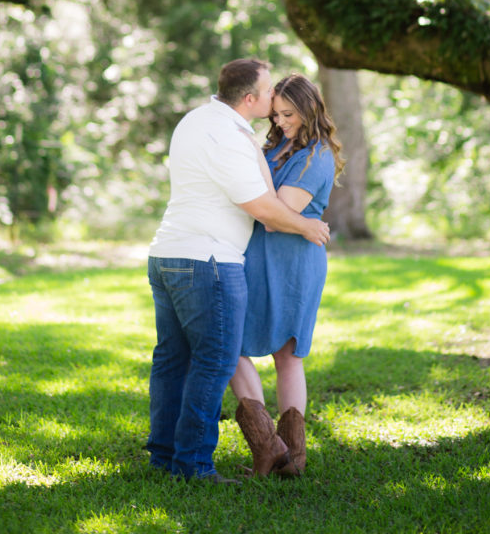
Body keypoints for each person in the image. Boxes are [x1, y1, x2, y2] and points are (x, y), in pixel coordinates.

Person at [146, 59, 331, 484]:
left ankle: (183, 455)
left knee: (184, 360)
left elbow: (272, 205)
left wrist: (302, 223)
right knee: (217, 360)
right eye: (271, 100)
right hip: (214, 258)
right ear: (250, 98)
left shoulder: (198, 121)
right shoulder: (236, 137)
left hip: (199, 254)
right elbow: (266, 209)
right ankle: (211, 460)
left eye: (286, 111)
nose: (274, 113)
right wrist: (306, 225)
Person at [230, 73, 344, 477]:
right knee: (232, 345)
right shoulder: (275, 146)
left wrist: (255, 157)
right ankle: (269, 446)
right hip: (254, 259)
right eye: (276, 114)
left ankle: (292, 456)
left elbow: (279, 215)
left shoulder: (317, 156)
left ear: (309, 109)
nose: (280, 122)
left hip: (293, 262)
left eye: (289, 114)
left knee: (288, 356)